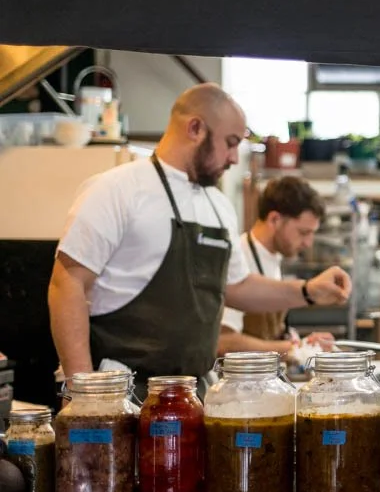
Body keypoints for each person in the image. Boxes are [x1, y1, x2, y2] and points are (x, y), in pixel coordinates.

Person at [48, 82, 351, 389]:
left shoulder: (218, 206)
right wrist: (84, 391)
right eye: (230, 143)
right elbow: (67, 283)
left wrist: (308, 291)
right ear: (195, 128)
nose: (234, 158)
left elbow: (238, 286)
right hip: (122, 392)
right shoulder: (116, 190)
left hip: (194, 393)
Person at [219, 176, 335, 358]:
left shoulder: (273, 258)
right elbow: (224, 342)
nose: (308, 243)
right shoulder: (239, 259)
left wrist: (302, 342)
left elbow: (270, 332)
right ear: (274, 220)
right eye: (303, 232)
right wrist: (292, 348)